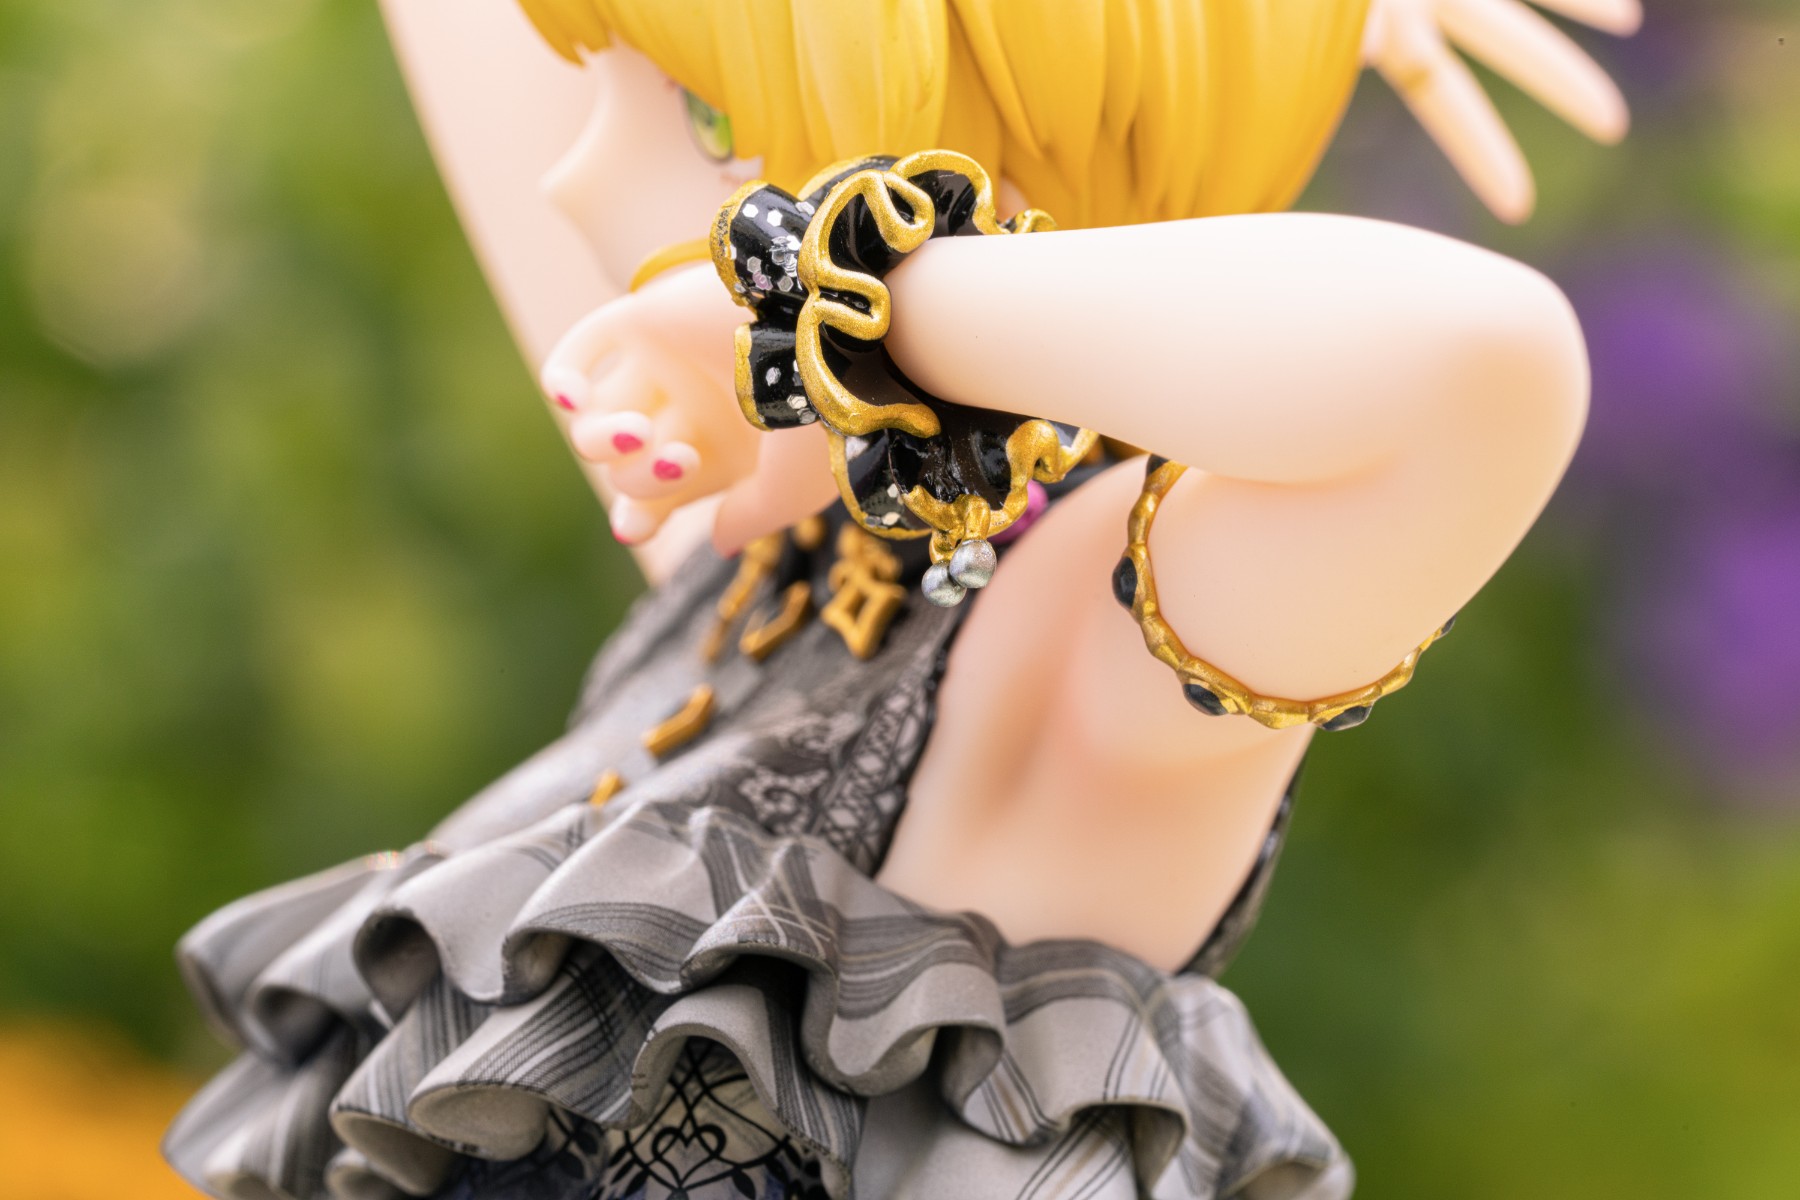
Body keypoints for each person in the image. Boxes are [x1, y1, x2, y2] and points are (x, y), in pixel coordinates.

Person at [164, 1, 1640, 1197]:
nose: (574, 178)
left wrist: (811, 314)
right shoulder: (765, 554)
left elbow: (1486, 370)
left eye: (707, 121)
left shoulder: (1071, 629)